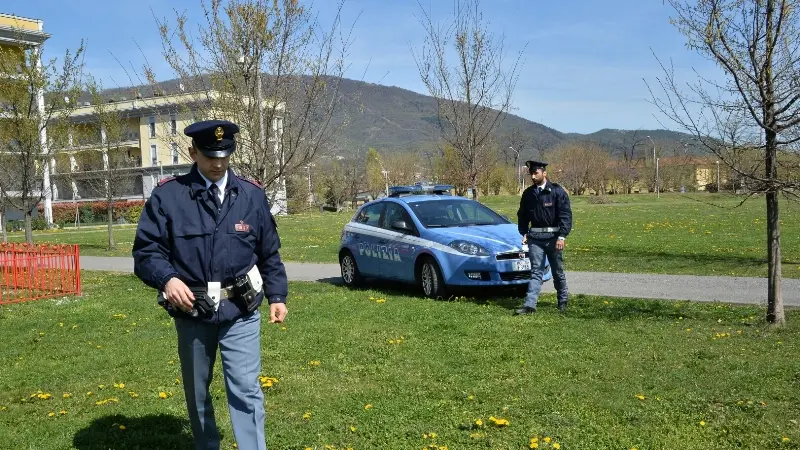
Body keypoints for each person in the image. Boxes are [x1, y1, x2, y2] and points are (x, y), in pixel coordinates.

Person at [132, 119, 288, 450]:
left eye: (224, 155)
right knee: (198, 391)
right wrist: (168, 279)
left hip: (240, 309)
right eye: (209, 156)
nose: (217, 163)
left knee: (246, 390)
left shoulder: (251, 195)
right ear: (192, 153)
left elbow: (269, 252)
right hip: (193, 311)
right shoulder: (168, 196)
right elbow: (146, 252)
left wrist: (277, 295)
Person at [515, 160, 572, 314]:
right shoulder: (528, 194)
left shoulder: (556, 191)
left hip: (554, 238)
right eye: (531, 174)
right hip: (535, 238)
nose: (533, 176)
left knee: (557, 271)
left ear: (544, 173)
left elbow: (565, 215)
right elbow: (522, 215)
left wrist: (562, 237)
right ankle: (530, 305)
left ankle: (562, 301)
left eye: (536, 173)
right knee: (536, 272)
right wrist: (524, 232)